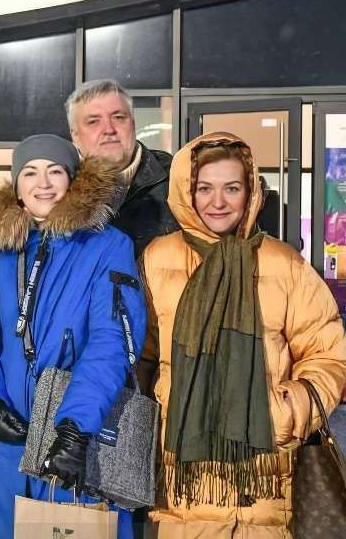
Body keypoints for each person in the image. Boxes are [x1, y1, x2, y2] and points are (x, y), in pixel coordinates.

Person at [139, 132, 346, 538]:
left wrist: (284, 412)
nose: (218, 202)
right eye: (205, 188)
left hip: (265, 476)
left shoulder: (284, 264)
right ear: (187, 191)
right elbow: (141, 358)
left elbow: (328, 355)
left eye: (231, 188)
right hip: (182, 478)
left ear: (251, 192)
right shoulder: (157, 258)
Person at [0, 134, 146, 539]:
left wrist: (75, 428)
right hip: (8, 444)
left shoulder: (107, 246)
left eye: (55, 171)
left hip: (78, 439)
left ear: (73, 180)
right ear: (16, 186)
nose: (43, 183)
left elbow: (112, 341)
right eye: (30, 172)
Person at [67, 79, 178, 258]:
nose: (109, 129)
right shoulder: (54, 188)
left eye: (118, 117)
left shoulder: (179, 179)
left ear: (133, 124)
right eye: (94, 121)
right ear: (75, 135)